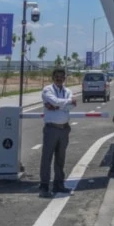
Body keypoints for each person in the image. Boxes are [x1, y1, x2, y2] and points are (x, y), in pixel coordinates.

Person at [39, 68, 77, 198]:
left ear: (65, 78)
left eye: (61, 76)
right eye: (57, 76)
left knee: (60, 159)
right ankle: (44, 186)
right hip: (51, 129)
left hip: (64, 129)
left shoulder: (68, 91)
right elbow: (55, 101)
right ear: (53, 77)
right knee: (47, 158)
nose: (59, 79)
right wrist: (63, 103)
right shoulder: (47, 89)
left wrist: (57, 105)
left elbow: (71, 105)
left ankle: (58, 184)